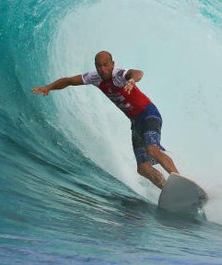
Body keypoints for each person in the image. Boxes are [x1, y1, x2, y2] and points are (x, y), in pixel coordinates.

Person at [31, 50, 178, 189]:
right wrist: (48, 87)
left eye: (105, 65)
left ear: (112, 64)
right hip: (135, 123)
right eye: (98, 65)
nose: (102, 69)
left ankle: (177, 178)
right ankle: (168, 189)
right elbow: (69, 81)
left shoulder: (120, 74)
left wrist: (132, 80)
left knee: (152, 149)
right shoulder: (94, 77)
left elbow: (138, 73)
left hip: (148, 114)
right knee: (143, 168)